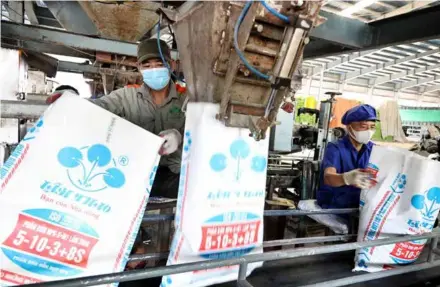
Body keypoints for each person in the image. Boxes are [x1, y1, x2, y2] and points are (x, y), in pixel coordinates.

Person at [317, 104, 378, 210]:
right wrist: (346, 178)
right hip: (336, 202)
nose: (368, 131)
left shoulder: (373, 149)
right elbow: (328, 177)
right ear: (349, 127)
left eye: (372, 127)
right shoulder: (335, 148)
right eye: (364, 127)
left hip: (361, 201)